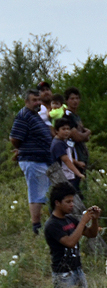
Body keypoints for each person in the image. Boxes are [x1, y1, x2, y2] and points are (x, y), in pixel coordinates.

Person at [44, 181, 100, 288]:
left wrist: (94, 220)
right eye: (68, 202)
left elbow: (91, 234)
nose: (72, 205)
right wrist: (83, 221)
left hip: (77, 270)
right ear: (57, 203)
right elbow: (70, 242)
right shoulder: (52, 225)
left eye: (72, 201)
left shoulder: (70, 219)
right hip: (63, 275)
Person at [9, 89, 53, 234]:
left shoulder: (34, 115)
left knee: (44, 193)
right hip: (32, 160)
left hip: (42, 160)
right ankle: (36, 227)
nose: (38, 102)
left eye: (38, 100)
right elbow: (15, 138)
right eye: (34, 100)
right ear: (26, 101)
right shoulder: (23, 115)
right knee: (37, 194)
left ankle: (46, 223)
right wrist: (23, 149)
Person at [62, 87, 91, 178]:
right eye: (72, 99)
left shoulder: (76, 116)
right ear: (67, 101)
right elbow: (77, 137)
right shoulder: (67, 116)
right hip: (73, 155)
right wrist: (88, 132)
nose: (75, 101)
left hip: (81, 152)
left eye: (77, 98)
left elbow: (85, 138)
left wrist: (84, 135)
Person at [51, 118, 85, 183]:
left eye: (68, 129)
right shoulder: (58, 144)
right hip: (63, 177)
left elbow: (68, 157)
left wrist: (77, 163)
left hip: (67, 176)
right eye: (63, 129)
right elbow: (66, 160)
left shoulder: (62, 141)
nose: (66, 131)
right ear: (57, 131)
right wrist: (79, 174)